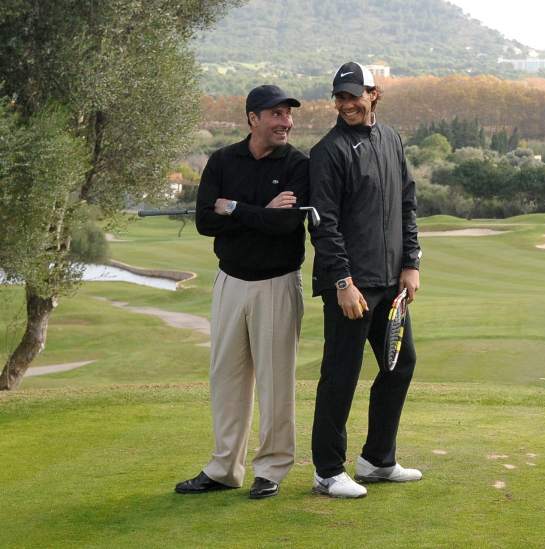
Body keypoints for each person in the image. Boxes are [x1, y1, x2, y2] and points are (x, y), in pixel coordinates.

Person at [175, 84, 308, 500]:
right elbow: (204, 221)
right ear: (253, 118)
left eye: (289, 115)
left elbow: (287, 225)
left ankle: (271, 469)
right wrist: (262, 212)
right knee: (226, 378)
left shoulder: (298, 165)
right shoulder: (222, 160)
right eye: (277, 114)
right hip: (230, 281)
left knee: (275, 381)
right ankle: (223, 468)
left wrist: (233, 208)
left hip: (277, 283)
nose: (286, 122)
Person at [308, 62, 422, 498]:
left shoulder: (391, 139)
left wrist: (411, 263)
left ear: (375, 95)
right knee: (341, 373)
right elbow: (324, 225)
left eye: (354, 95)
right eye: (339, 97)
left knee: (400, 365)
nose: (346, 103)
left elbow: (407, 204)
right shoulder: (329, 151)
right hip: (351, 287)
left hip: (390, 283)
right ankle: (327, 471)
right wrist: (342, 282)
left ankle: (377, 460)